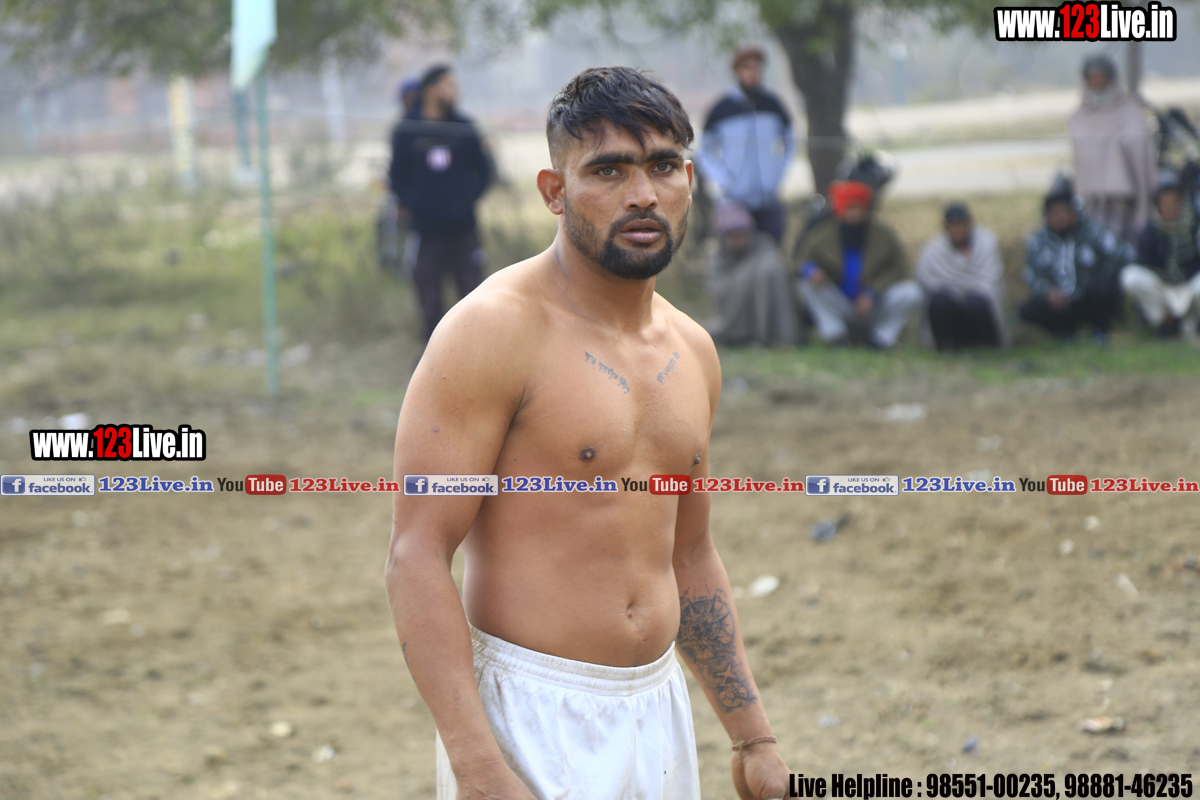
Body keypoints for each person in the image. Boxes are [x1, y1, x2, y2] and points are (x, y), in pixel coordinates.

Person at [385, 67, 790, 800]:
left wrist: (752, 735)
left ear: (689, 180)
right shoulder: (492, 331)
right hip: (530, 714)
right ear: (554, 190)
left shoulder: (693, 350)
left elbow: (690, 553)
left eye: (663, 166)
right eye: (609, 170)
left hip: (657, 710)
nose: (643, 194)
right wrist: (478, 765)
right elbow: (417, 553)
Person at [388, 64, 492, 340]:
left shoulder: (464, 127)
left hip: (463, 228)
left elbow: (484, 171)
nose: (454, 91)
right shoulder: (408, 129)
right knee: (428, 296)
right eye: (448, 85)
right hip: (426, 230)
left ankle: (476, 350)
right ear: (430, 90)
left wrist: (466, 199)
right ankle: (433, 352)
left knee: (473, 295)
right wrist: (416, 203)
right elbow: (397, 177)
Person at [795, 179, 922, 348]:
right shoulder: (821, 235)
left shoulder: (884, 236)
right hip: (839, 301)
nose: (854, 214)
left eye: (859, 208)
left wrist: (873, 293)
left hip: (873, 304)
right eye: (849, 208)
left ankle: (881, 338)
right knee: (806, 286)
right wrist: (811, 270)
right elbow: (800, 260)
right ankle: (836, 335)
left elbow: (898, 268)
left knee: (911, 292)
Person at [696, 45, 794, 243]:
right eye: (747, 68)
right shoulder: (721, 109)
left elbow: (791, 141)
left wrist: (777, 173)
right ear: (737, 71)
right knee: (735, 254)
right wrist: (724, 179)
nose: (752, 73)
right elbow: (704, 152)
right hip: (734, 201)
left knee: (771, 250)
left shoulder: (773, 105)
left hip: (768, 199)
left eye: (756, 68)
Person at [1020, 180, 1132, 342]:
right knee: (1029, 309)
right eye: (1056, 213)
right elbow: (1031, 276)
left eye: (1066, 212)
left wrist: (1092, 281)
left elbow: (1124, 255)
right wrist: (1049, 292)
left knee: (1105, 288)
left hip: (1089, 298)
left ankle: (1100, 328)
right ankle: (1064, 331)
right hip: (1060, 303)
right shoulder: (1037, 241)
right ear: (1047, 216)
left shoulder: (1093, 233)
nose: (1062, 217)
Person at [1068, 54, 1157, 244]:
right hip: (1091, 204)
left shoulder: (1130, 115)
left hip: (1124, 205)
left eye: (1101, 78)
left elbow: (1141, 162)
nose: (1097, 83)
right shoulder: (1078, 118)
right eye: (1092, 78)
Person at [707, 200, 803, 346]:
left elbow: (772, 269)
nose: (738, 240)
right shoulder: (719, 258)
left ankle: (771, 336)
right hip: (730, 325)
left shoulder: (765, 247)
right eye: (733, 235)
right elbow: (719, 286)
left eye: (741, 234)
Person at [914, 202, 1009, 350]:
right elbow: (927, 285)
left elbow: (992, 282)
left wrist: (966, 294)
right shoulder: (932, 251)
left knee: (975, 303)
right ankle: (945, 346)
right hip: (950, 310)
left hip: (977, 308)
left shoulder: (987, 242)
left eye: (962, 225)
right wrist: (954, 295)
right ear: (946, 228)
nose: (959, 230)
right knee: (939, 301)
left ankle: (985, 345)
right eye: (954, 226)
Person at [1121, 172, 1200, 338]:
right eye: (1165, 203)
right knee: (1130, 276)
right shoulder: (1150, 230)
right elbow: (1144, 264)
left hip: (1189, 286)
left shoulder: (1194, 225)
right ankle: (1163, 322)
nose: (1170, 207)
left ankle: (1190, 324)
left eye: (1174, 202)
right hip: (1163, 286)